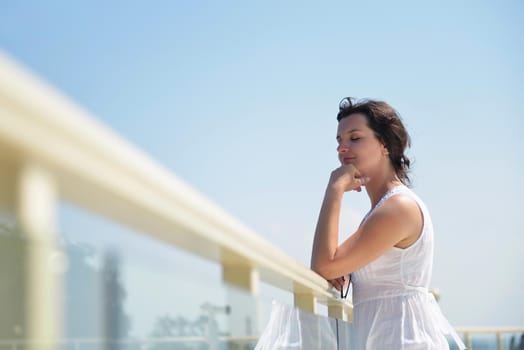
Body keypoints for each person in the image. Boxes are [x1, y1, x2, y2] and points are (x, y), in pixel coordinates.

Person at [311, 97, 465, 350]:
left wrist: (334, 188)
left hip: (403, 341)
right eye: (339, 140)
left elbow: (322, 266)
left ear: (384, 144)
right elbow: (330, 264)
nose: (341, 147)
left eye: (355, 137)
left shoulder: (398, 208)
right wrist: (345, 269)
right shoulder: (381, 210)